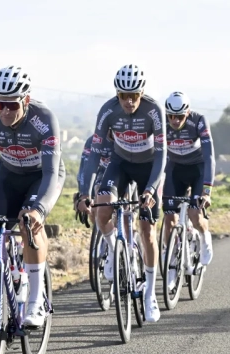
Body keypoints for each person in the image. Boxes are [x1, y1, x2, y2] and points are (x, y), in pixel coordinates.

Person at [0, 66, 65, 327]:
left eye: (11, 105)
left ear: (25, 101)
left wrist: (39, 210)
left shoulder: (44, 119)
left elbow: (50, 174)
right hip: (8, 173)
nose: (3, 111)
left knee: (29, 224)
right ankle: (10, 282)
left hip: (42, 175)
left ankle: (36, 301)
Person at [77, 64, 166, 322]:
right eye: (123, 95)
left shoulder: (154, 110)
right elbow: (94, 153)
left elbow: (162, 155)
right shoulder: (108, 110)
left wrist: (150, 189)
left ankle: (149, 293)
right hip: (120, 164)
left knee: (148, 230)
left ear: (142, 92)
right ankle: (112, 250)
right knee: (102, 211)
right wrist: (85, 192)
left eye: (134, 96)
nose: (128, 101)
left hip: (148, 168)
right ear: (116, 93)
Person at [162, 91, 215, 274]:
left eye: (180, 116)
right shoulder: (161, 123)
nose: (175, 120)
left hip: (197, 170)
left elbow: (209, 157)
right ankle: (172, 258)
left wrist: (207, 191)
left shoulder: (199, 121)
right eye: (171, 116)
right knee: (169, 217)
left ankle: (204, 235)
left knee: (194, 214)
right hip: (175, 169)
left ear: (188, 112)